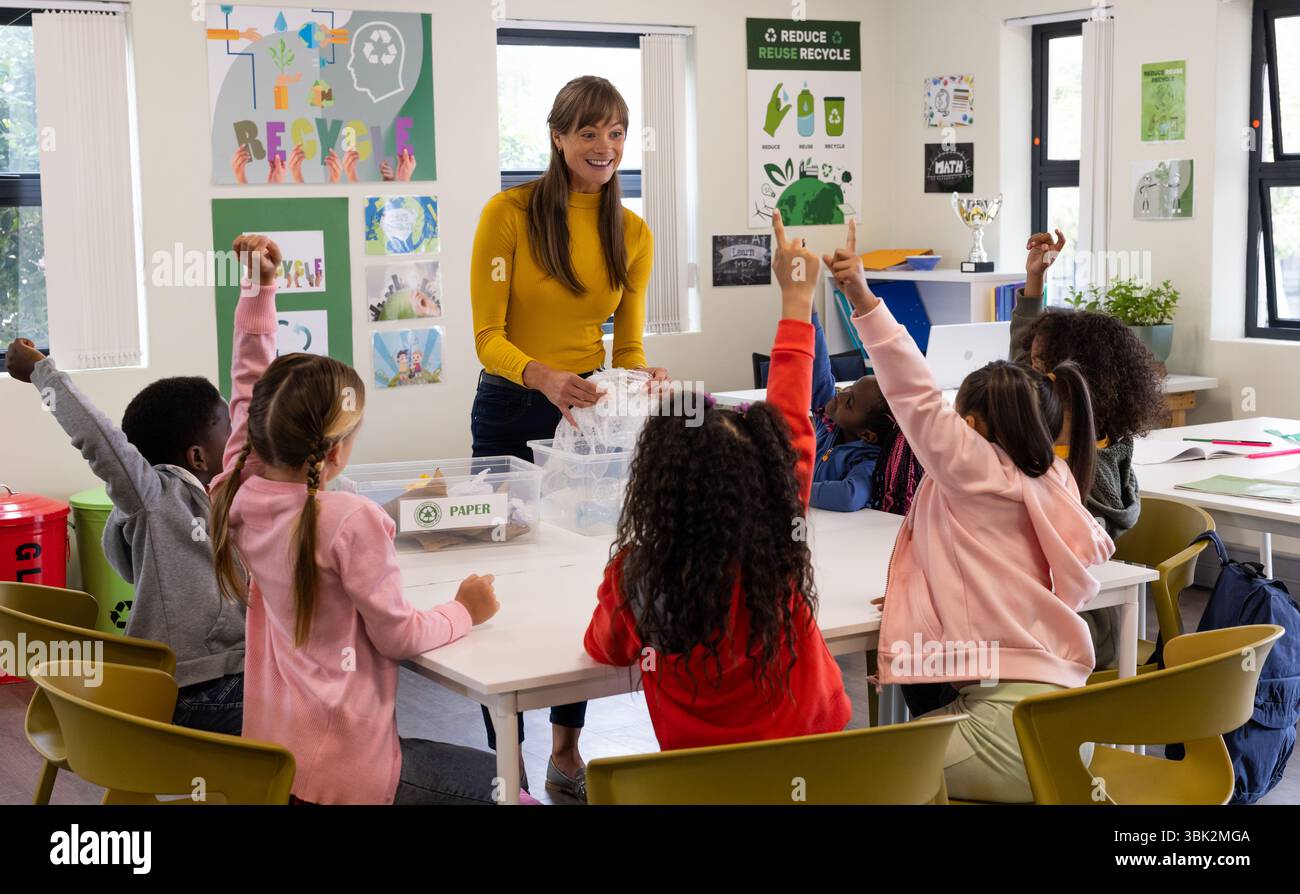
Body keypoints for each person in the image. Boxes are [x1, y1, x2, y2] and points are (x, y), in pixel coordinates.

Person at [207, 235, 506, 804]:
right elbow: (399, 636)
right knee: (505, 784)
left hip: (274, 766)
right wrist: (463, 610)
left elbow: (247, 385)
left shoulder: (238, 490)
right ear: (336, 451)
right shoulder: (349, 520)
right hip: (350, 774)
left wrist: (260, 288)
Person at [827, 222, 1115, 802]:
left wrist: (860, 294)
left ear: (975, 427)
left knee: (853, 776)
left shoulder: (968, 465)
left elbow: (909, 385)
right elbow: (991, 572)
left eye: (957, 417)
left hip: (1011, 735)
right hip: (1067, 720)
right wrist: (921, 599)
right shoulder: (1050, 473)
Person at [584, 210, 850, 749]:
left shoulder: (640, 579)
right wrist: (796, 300)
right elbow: (792, 417)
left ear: (656, 490)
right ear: (767, 476)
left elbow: (602, 646)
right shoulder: (779, 540)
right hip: (827, 775)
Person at [467, 75, 665, 801]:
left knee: (579, 583)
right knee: (505, 583)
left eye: (616, 133)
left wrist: (637, 383)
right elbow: (487, 337)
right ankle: (504, 764)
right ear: (557, 137)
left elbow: (632, 348)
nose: (605, 147)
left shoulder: (635, 233)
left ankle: (566, 752)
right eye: (589, 132)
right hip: (512, 407)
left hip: (587, 418)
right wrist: (543, 377)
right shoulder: (508, 215)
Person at [4, 341, 245, 735]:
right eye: (229, 429)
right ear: (198, 457)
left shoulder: (222, 501)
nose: (239, 440)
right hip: (188, 692)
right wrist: (41, 372)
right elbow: (100, 440)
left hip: (222, 677)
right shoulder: (155, 498)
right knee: (308, 711)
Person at [1010, 230, 1166, 666]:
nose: (1030, 382)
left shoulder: (1083, 468)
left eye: (1041, 372)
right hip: (1048, 619)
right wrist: (1034, 285)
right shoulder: (1078, 435)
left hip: (1077, 635)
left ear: (1075, 384)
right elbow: (1020, 365)